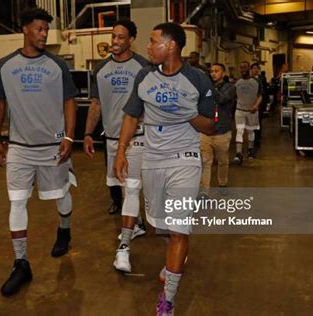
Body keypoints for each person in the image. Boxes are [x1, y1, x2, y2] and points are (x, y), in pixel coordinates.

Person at [115, 22, 215, 315]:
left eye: (152, 41)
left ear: (171, 45)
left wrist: (189, 114)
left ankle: (168, 299)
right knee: (162, 226)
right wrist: (121, 152)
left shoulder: (198, 79)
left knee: (179, 227)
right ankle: (174, 255)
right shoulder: (144, 76)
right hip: (152, 159)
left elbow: (210, 125)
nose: (147, 47)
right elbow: (132, 116)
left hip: (185, 159)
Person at [0, 8, 78, 296]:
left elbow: (69, 101)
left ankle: (64, 229)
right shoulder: (4, 65)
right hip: (19, 148)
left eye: (46, 30)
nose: (43, 34)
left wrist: (68, 136)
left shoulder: (57, 66)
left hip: (53, 145)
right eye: (39, 29)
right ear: (26, 29)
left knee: (61, 195)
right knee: (16, 203)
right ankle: (21, 263)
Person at [83, 19, 148, 272]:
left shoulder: (144, 66)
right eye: (113, 37)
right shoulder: (100, 69)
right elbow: (96, 104)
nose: (115, 42)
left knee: (130, 188)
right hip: (110, 138)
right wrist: (88, 133)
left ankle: (129, 237)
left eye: (121, 37)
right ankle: (138, 223)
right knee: (121, 187)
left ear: (131, 40)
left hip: (137, 137)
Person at [200, 63, 236, 196]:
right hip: (206, 132)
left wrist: (210, 87)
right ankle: (204, 191)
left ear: (224, 73)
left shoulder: (230, 88)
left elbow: (221, 99)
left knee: (222, 161)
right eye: (211, 71)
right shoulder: (206, 88)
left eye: (216, 71)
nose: (213, 73)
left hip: (222, 131)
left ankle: (222, 182)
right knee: (205, 162)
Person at [233, 61, 262, 165]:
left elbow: (260, 96)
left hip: (252, 111)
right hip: (240, 111)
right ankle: (238, 153)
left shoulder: (256, 81)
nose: (243, 69)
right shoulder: (237, 82)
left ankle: (250, 150)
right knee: (239, 131)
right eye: (241, 68)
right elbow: (234, 95)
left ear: (249, 68)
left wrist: (255, 106)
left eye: (245, 67)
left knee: (250, 131)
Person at [250, 63, 268, 150]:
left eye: (256, 68)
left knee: (258, 122)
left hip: (259, 104)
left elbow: (264, 92)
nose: (255, 70)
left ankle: (257, 139)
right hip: (250, 103)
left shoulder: (261, 79)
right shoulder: (248, 79)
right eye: (253, 68)